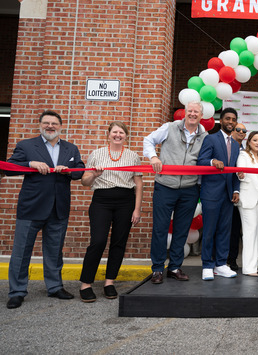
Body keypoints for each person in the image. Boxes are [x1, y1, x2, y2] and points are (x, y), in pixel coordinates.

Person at [6, 110, 85, 309]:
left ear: (61, 126)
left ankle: (55, 287)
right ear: (40, 125)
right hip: (31, 207)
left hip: (58, 208)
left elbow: (80, 171)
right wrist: (30, 164)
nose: (50, 126)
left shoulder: (71, 148)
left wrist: (68, 171)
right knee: (21, 252)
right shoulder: (26, 146)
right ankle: (17, 292)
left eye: (54, 123)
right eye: (46, 123)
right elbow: (8, 168)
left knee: (54, 252)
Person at [144, 101, 207, 284]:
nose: (192, 114)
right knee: (160, 229)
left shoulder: (205, 135)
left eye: (196, 112)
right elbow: (148, 140)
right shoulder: (169, 127)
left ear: (201, 115)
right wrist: (154, 156)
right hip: (165, 186)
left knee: (181, 230)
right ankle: (157, 269)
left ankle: (174, 267)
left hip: (189, 189)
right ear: (185, 113)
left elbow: (205, 159)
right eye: (190, 111)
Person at [78, 121, 143, 302]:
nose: (118, 135)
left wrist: (137, 209)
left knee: (118, 242)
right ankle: (86, 284)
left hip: (126, 201)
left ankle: (109, 282)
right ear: (108, 134)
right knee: (97, 241)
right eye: (115, 132)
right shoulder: (96, 154)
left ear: (126, 136)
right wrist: (94, 175)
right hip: (101, 200)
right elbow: (85, 181)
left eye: (121, 132)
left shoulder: (133, 156)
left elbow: (138, 183)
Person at [197, 107, 240, 281]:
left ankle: (221, 264)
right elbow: (200, 161)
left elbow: (236, 170)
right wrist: (212, 161)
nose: (230, 122)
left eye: (233, 119)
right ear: (221, 121)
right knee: (209, 230)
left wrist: (236, 189)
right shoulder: (210, 139)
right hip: (211, 193)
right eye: (227, 119)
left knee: (224, 231)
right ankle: (207, 265)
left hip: (229, 194)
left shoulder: (237, 144)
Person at [236, 131, 258, 276]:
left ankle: (253, 265)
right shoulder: (243, 155)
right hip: (248, 197)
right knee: (249, 232)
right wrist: (240, 174)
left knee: (257, 232)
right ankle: (248, 268)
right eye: (255, 140)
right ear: (249, 142)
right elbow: (240, 172)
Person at [227, 122, 248, 271]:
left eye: (244, 130)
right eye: (238, 129)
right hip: (225, 193)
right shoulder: (226, 147)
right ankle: (218, 259)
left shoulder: (246, 152)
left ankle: (232, 259)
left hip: (241, 196)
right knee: (221, 229)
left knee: (235, 230)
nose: (241, 132)